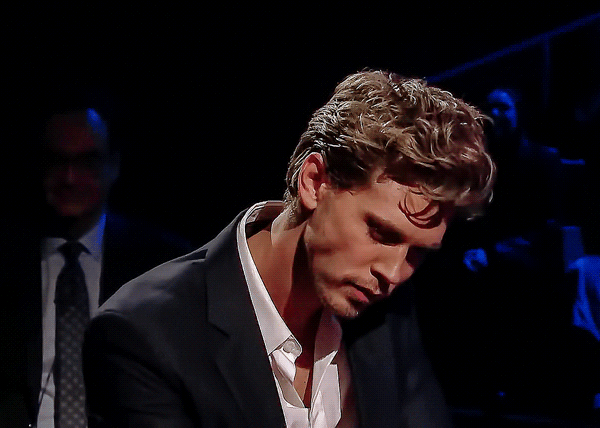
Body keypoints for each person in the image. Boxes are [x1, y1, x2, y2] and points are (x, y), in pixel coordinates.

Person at [83, 70, 495, 427]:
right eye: (381, 233)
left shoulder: (389, 313)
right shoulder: (143, 334)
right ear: (315, 182)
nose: (394, 272)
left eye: (418, 252)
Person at [0, 106, 195, 427]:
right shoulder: (7, 261)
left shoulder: (162, 262)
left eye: (86, 162)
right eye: (57, 161)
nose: (69, 178)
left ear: (113, 166)